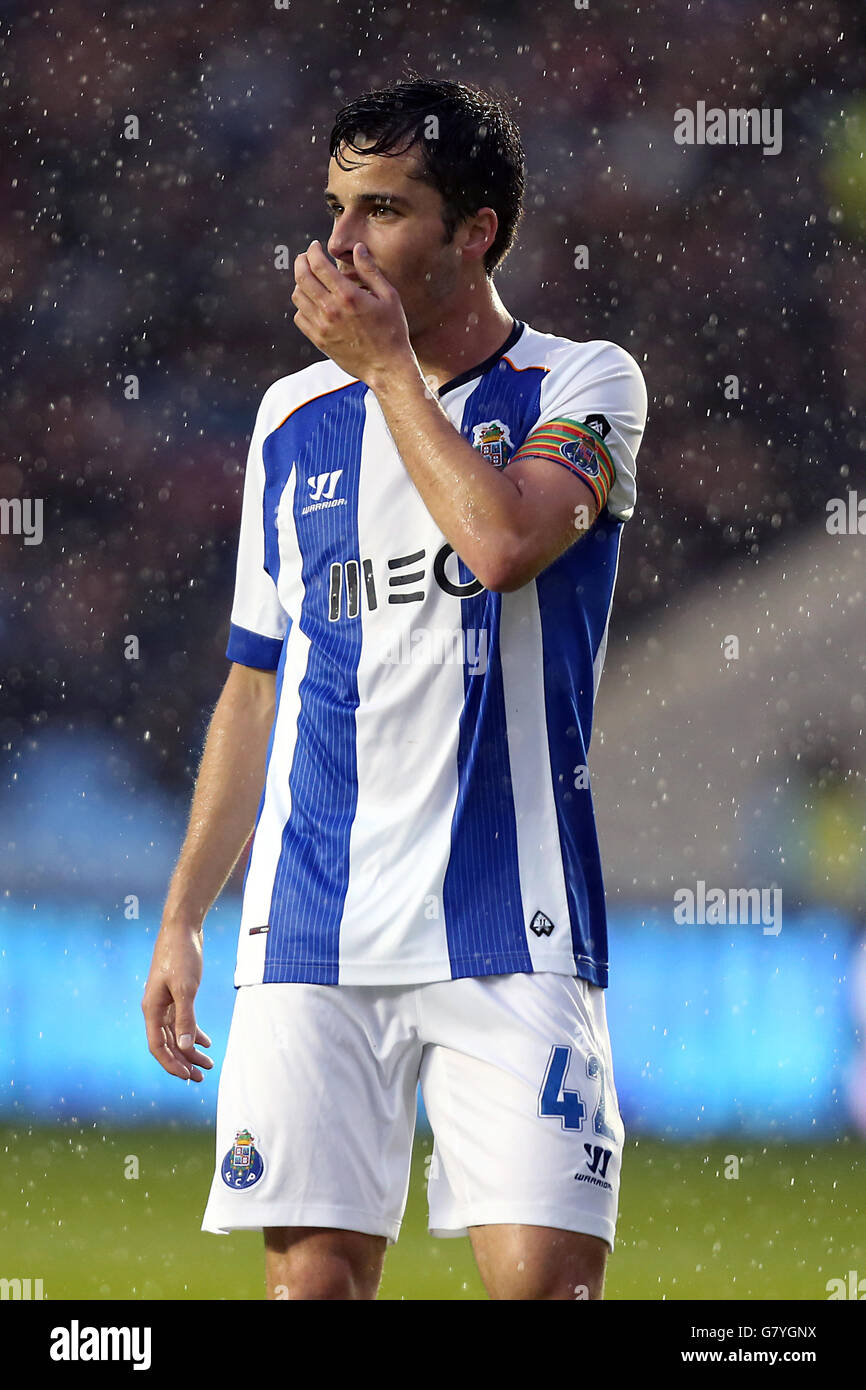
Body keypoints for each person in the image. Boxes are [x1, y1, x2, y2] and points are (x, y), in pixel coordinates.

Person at [142, 75, 647, 1301]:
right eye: (333, 208)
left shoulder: (582, 384)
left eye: (382, 210)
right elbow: (254, 687)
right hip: (313, 924)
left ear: (474, 233)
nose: (339, 246)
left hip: (509, 923)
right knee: (312, 1287)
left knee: (544, 1291)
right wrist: (182, 914)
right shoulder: (288, 419)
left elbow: (502, 546)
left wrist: (387, 376)